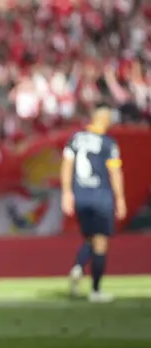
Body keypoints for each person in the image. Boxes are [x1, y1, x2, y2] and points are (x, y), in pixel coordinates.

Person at [61, 104, 127, 302]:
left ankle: (78, 267)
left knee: (90, 238)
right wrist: (121, 198)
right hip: (101, 195)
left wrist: (66, 192)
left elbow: (66, 164)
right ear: (105, 119)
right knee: (101, 242)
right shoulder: (107, 143)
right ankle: (96, 290)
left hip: (80, 195)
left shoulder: (75, 138)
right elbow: (115, 172)